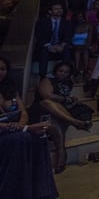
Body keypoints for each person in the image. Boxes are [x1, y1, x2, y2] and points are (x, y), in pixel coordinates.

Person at [1, 55, 59, 198]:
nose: (0, 72)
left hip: (14, 129)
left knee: (39, 136)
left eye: (2, 69)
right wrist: (24, 128)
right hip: (3, 132)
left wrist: (21, 124)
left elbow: (24, 113)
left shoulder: (10, 89)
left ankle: (42, 193)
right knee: (22, 138)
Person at [31, 62, 94, 172]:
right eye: (61, 71)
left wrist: (72, 99)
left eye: (66, 72)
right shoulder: (47, 80)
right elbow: (47, 96)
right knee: (47, 102)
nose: (63, 74)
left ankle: (61, 153)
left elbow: (64, 98)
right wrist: (66, 99)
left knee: (56, 122)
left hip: (57, 112)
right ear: (55, 71)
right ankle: (75, 122)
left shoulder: (68, 83)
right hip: (41, 109)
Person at [34, 1, 73, 77]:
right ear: (50, 11)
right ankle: (43, 76)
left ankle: (66, 75)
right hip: (48, 46)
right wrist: (50, 46)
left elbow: (68, 37)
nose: (59, 10)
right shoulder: (42, 22)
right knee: (43, 50)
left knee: (67, 50)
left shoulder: (67, 23)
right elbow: (40, 37)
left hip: (60, 47)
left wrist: (61, 46)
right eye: (56, 9)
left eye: (60, 8)